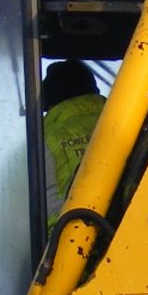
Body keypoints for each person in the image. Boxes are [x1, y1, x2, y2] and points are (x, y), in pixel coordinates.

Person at [40, 59, 107, 226]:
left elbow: (43, 207)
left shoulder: (43, 139)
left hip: (70, 239)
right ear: (94, 91)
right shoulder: (132, 122)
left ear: (49, 102)